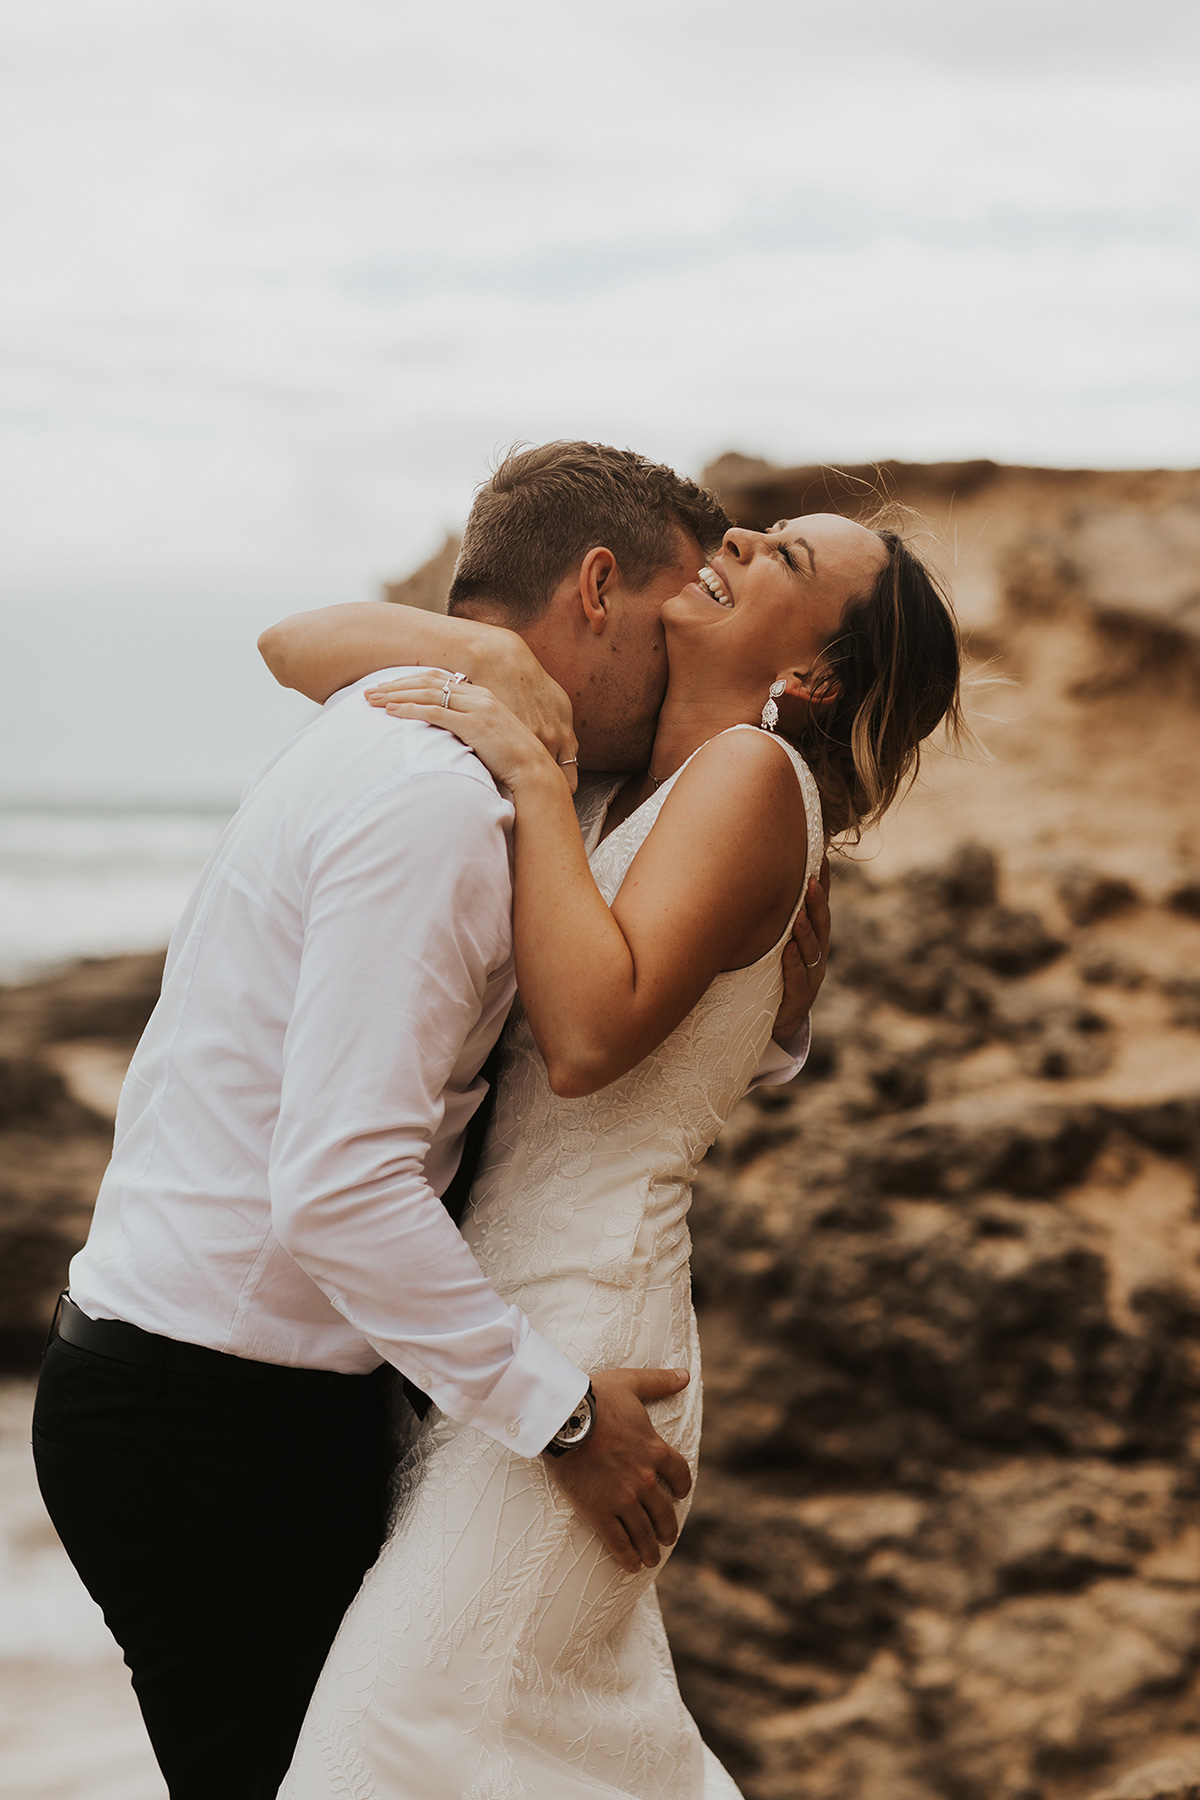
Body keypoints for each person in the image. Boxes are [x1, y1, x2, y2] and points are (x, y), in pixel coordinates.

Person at [32, 444, 828, 1800]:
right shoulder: (441, 798)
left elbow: (303, 644)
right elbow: (339, 1188)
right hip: (216, 1412)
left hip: (234, 1387)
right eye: (676, 595)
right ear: (595, 589)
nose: (699, 612)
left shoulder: (487, 768)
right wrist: (563, 1415)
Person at [264, 471, 964, 1797]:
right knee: (540, 1747)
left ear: (813, 672)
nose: (741, 540)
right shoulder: (651, 782)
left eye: (782, 563)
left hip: (590, 1331)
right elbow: (292, 648)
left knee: (388, 1745)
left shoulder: (750, 775)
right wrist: (482, 655)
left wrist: (528, 773)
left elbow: (587, 1042)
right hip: (517, 1325)